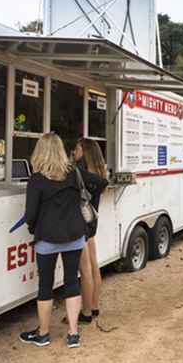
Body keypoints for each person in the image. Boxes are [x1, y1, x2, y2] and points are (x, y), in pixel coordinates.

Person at [18, 133, 104, 349]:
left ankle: (44, 334)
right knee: (71, 281)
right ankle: (73, 334)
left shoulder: (36, 180)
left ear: (40, 152)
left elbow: (30, 215)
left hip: (47, 238)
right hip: (74, 236)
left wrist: (33, 228)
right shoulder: (74, 173)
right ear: (60, 151)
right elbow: (100, 183)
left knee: (45, 285)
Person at [69, 139, 109, 324]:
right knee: (93, 266)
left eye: (77, 149)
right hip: (92, 223)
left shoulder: (82, 173)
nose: (74, 151)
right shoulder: (97, 171)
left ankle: (85, 312)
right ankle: (94, 306)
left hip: (82, 224)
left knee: (84, 270)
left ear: (84, 151)